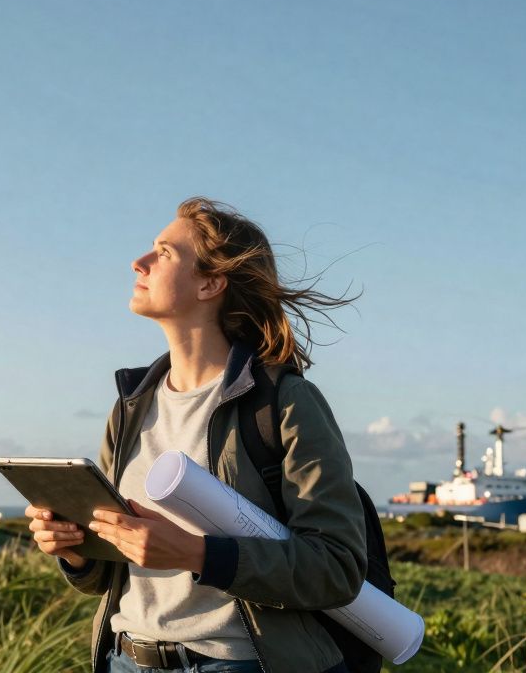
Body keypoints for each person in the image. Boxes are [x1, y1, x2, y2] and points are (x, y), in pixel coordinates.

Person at [25, 198, 367, 673]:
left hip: (239, 663)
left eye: (163, 253)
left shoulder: (284, 403)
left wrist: (193, 552)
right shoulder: (130, 407)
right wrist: (74, 550)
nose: (138, 262)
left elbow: (337, 568)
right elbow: (107, 577)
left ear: (211, 283)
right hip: (125, 658)